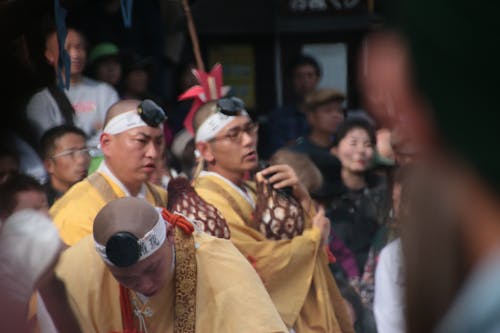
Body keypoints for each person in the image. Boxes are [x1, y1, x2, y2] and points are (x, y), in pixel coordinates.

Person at [192, 98, 354, 332]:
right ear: (205, 149)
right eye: (234, 135)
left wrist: (301, 196)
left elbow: (303, 233)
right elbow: (250, 261)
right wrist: (312, 240)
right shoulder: (203, 202)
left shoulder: (254, 189)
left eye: (249, 129)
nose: (248, 141)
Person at [54, 197, 288, 333]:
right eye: (127, 279)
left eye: (151, 268)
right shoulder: (77, 269)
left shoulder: (221, 266)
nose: (145, 285)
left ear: (169, 235)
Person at [50, 99, 167, 246]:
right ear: (106, 143)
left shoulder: (161, 196)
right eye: (141, 141)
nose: (153, 153)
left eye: (159, 142)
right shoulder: (77, 210)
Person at [25, 25, 119, 147]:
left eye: (79, 48)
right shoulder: (40, 102)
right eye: (66, 49)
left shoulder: (105, 92)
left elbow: (115, 134)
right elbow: (53, 146)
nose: (75, 54)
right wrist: (97, 132)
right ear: (50, 56)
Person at [326, 117, 389, 280]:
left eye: (367, 145)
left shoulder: (384, 191)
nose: (361, 150)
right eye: (353, 143)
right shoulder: (325, 194)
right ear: (334, 150)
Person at [290, 88, 346, 190]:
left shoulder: (346, 149)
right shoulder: (299, 152)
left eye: (339, 111)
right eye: (328, 111)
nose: (336, 115)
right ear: (311, 117)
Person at [267, 54, 322, 156]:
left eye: (309, 75)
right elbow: (277, 153)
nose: (305, 82)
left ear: (317, 79)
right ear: (291, 80)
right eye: (299, 76)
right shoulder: (279, 117)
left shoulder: (326, 114)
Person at [40, 125, 91, 206]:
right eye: (70, 153)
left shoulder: (98, 190)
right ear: (49, 165)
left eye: (85, 151)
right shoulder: (41, 203)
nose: (81, 160)